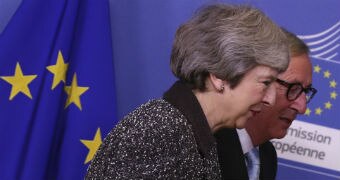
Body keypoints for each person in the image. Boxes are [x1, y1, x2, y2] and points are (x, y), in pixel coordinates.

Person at [86, 4, 289, 179]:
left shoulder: (195, 136)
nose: (270, 99)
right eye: (265, 82)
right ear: (220, 76)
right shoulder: (160, 133)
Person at [215, 29, 317, 180]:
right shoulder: (205, 144)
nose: (302, 107)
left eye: (305, 91)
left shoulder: (267, 157)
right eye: (293, 88)